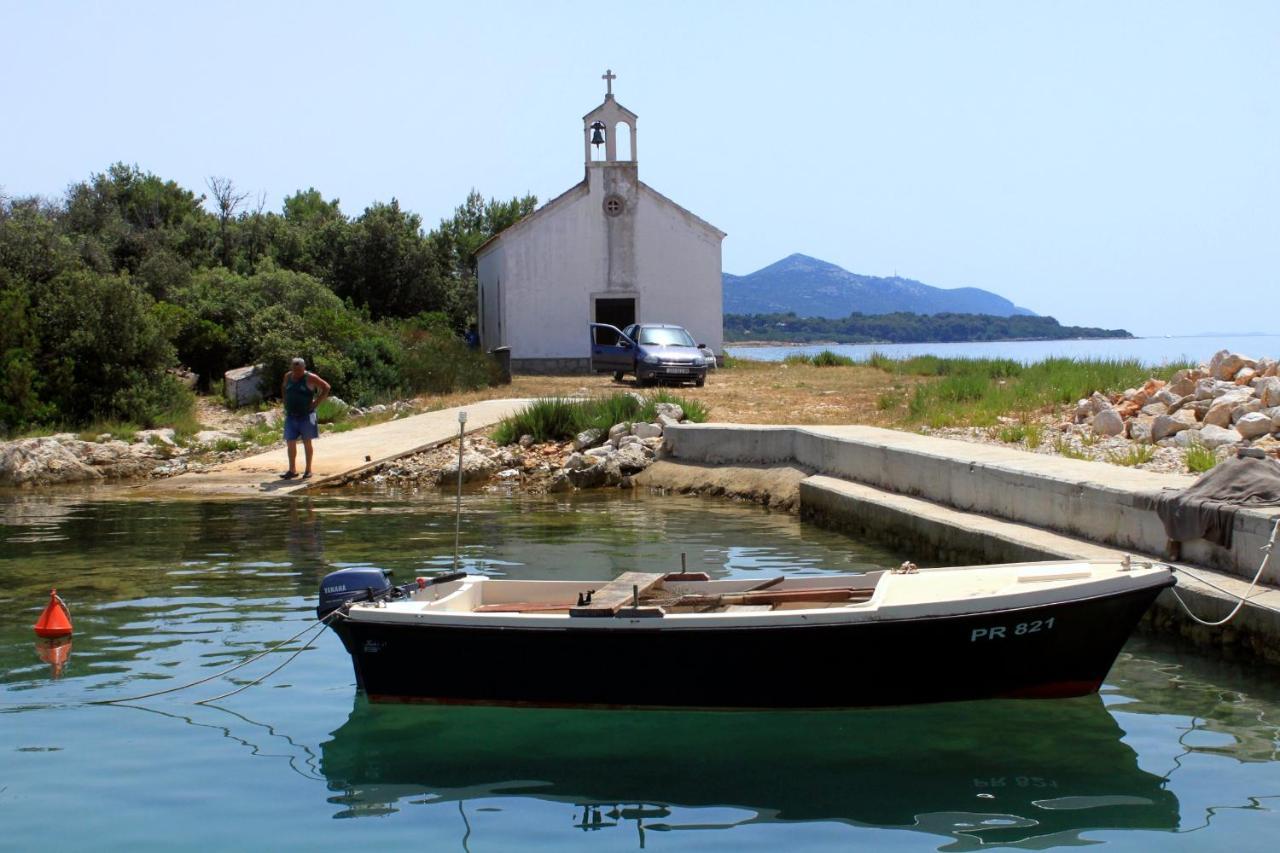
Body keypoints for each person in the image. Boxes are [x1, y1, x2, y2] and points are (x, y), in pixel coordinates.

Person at [280, 358, 330, 479]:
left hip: (306, 415)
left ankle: (308, 470)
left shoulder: (310, 377)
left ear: (304, 368)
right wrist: (285, 401)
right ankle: (292, 470)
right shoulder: (288, 376)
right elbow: (283, 387)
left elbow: (326, 387)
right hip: (291, 415)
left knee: (307, 442)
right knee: (290, 442)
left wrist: (316, 403)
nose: (296, 372)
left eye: (299, 370)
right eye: (294, 369)